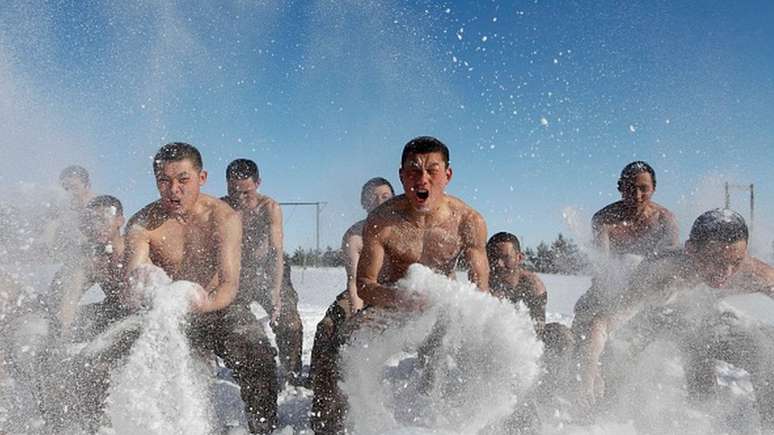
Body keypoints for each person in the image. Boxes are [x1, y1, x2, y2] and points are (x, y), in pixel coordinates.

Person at [311, 136, 490, 434]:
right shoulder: (382, 221)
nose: (422, 180)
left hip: (442, 304)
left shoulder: (468, 220)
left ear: (447, 175)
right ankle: (328, 427)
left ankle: (484, 422)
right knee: (341, 346)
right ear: (401, 175)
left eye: (432, 170)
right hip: (391, 304)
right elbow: (365, 285)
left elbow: (479, 287)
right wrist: (398, 298)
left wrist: (475, 320)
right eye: (413, 171)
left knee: (482, 347)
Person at [125, 143, 278, 433]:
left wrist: (200, 304)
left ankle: (264, 428)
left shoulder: (222, 217)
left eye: (183, 180)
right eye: (164, 181)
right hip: (161, 311)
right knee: (101, 358)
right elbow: (134, 277)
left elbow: (229, 284)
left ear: (202, 178)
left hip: (214, 305)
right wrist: (144, 285)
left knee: (257, 352)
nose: (173, 190)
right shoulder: (142, 223)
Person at [576, 209, 774, 428]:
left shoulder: (749, 272)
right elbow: (604, 322)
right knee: (620, 360)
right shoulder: (662, 273)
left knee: (764, 348)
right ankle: (599, 418)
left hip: (701, 317)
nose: (725, 272)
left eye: (735, 261)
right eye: (715, 260)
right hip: (649, 317)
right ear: (691, 250)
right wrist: (590, 367)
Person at [309, 177, 394, 399]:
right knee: (327, 326)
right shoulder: (354, 236)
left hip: (396, 291)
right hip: (363, 290)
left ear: (394, 199)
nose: (379, 202)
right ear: (364, 204)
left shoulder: (404, 229)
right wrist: (356, 313)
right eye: (373, 198)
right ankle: (318, 378)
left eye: (385, 197)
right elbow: (354, 281)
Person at [223, 158, 304, 384]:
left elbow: (277, 253)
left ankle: (292, 372)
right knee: (237, 325)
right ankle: (250, 369)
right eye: (233, 192)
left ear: (258, 183)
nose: (239, 199)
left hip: (270, 271)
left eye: (246, 193)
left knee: (288, 321)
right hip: (238, 274)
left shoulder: (269, 208)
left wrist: (276, 292)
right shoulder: (221, 207)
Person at [591, 161, 679, 258]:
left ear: (653, 189)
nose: (637, 195)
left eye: (644, 188)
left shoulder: (665, 219)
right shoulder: (604, 219)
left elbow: (670, 261)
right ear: (621, 188)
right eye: (630, 188)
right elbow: (601, 262)